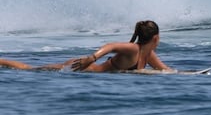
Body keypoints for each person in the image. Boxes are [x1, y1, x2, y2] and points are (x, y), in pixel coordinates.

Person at [0, 20, 170, 72]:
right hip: (81, 68)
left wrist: (192, 75)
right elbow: (111, 46)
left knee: (30, 69)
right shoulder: (134, 49)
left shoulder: (148, 55)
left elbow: (166, 71)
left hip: (85, 69)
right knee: (29, 69)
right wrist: (91, 58)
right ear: (156, 38)